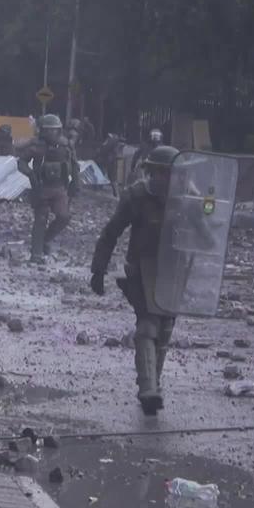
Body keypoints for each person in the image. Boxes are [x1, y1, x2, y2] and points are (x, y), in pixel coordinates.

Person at [89, 145, 184, 416]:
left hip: (172, 272)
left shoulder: (186, 198)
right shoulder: (136, 197)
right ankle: (148, 390)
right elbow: (111, 233)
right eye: (154, 172)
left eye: (165, 173)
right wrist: (99, 270)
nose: (159, 179)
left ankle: (153, 385)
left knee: (164, 330)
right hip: (141, 271)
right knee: (147, 327)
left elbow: (204, 237)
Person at [16, 114, 79, 264]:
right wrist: (30, 173)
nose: (51, 134)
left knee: (64, 217)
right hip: (42, 188)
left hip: (60, 188)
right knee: (40, 220)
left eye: (54, 130)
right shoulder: (37, 146)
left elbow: (74, 166)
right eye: (48, 131)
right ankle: (36, 254)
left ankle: (45, 240)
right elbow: (21, 162)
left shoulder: (66, 146)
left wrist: (76, 185)